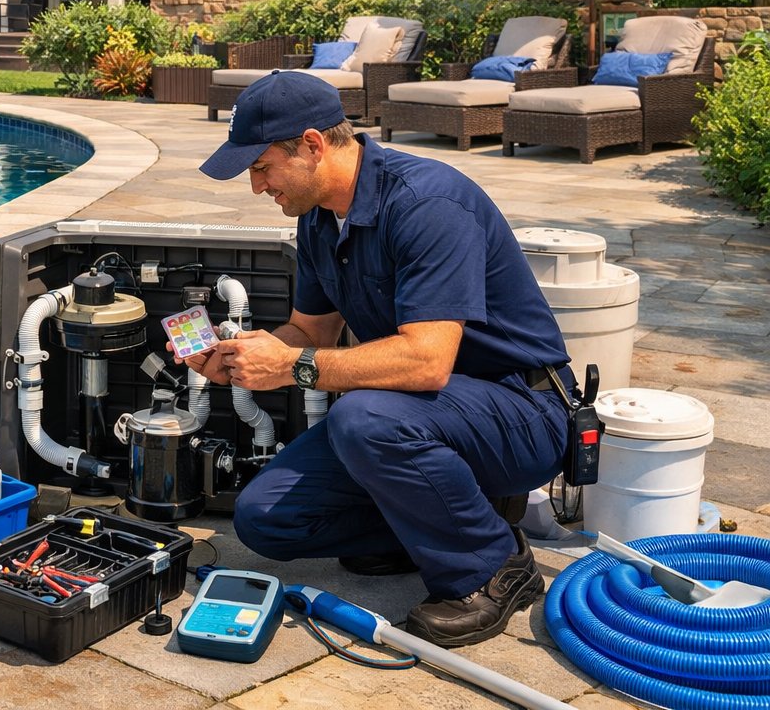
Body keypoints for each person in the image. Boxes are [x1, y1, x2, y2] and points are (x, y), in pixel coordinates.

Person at [188, 70, 574, 648]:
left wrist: (292, 368)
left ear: (313, 145)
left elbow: (426, 363)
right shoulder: (319, 220)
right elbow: (307, 330)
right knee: (265, 518)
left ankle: (491, 564)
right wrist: (248, 355)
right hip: (419, 413)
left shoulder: (427, 203)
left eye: (262, 167)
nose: (256, 186)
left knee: (363, 417)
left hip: (523, 411)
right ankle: (439, 519)